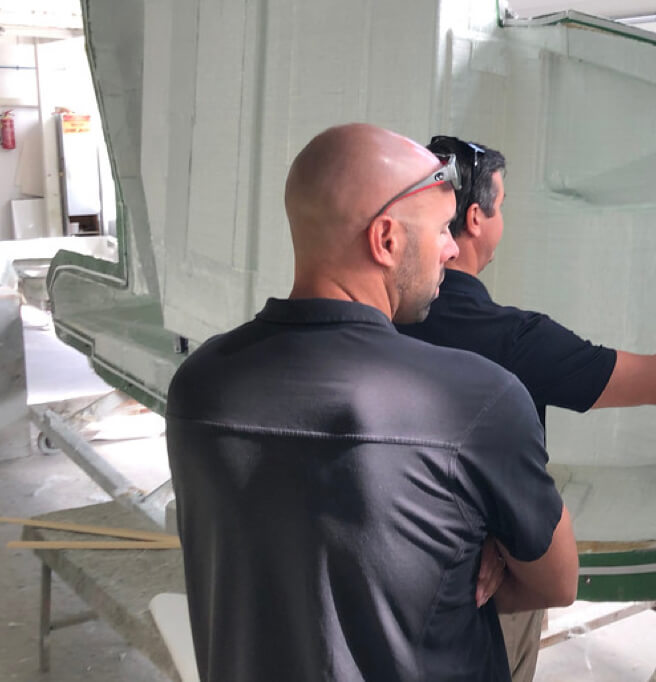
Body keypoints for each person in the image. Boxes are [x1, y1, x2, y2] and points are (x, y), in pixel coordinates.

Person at [165, 123, 578, 682]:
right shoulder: (477, 400)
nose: (454, 247)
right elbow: (558, 582)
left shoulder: (198, 389)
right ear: (386, 240)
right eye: (439, 230)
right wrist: (473, 557)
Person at [397, 136, 656, 681]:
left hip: (381, 584)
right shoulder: (516, 342)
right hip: (484, 595)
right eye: (501, 204)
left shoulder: (379, 314)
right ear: (478, 219)